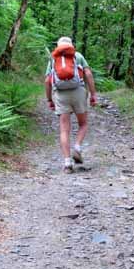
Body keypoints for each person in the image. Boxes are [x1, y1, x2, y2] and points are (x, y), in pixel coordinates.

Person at [45, 36, 98, 173]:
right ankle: (78, 147)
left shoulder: (53, 58)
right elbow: (88, 74)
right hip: (78, 92)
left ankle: (67, 163)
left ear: (58, 46)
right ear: (71, 45)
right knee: (83, 124)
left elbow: (47, 81)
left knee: (64, 130)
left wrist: (49, 100)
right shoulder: (77, 55)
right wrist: (93, 94)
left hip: (61, 94)